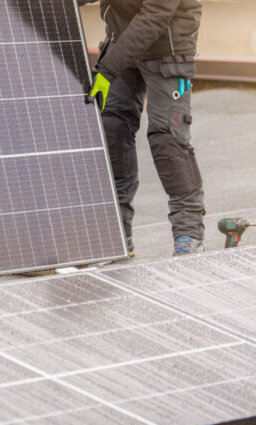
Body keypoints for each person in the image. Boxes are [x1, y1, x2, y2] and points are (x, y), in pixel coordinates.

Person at [82, 0, 205, 256]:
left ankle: (188, 232)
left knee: (167, 138)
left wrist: (107, 71)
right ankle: (117, 232)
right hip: (121, 40)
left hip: (168, 46)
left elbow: (156, 14)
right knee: (112, 129)